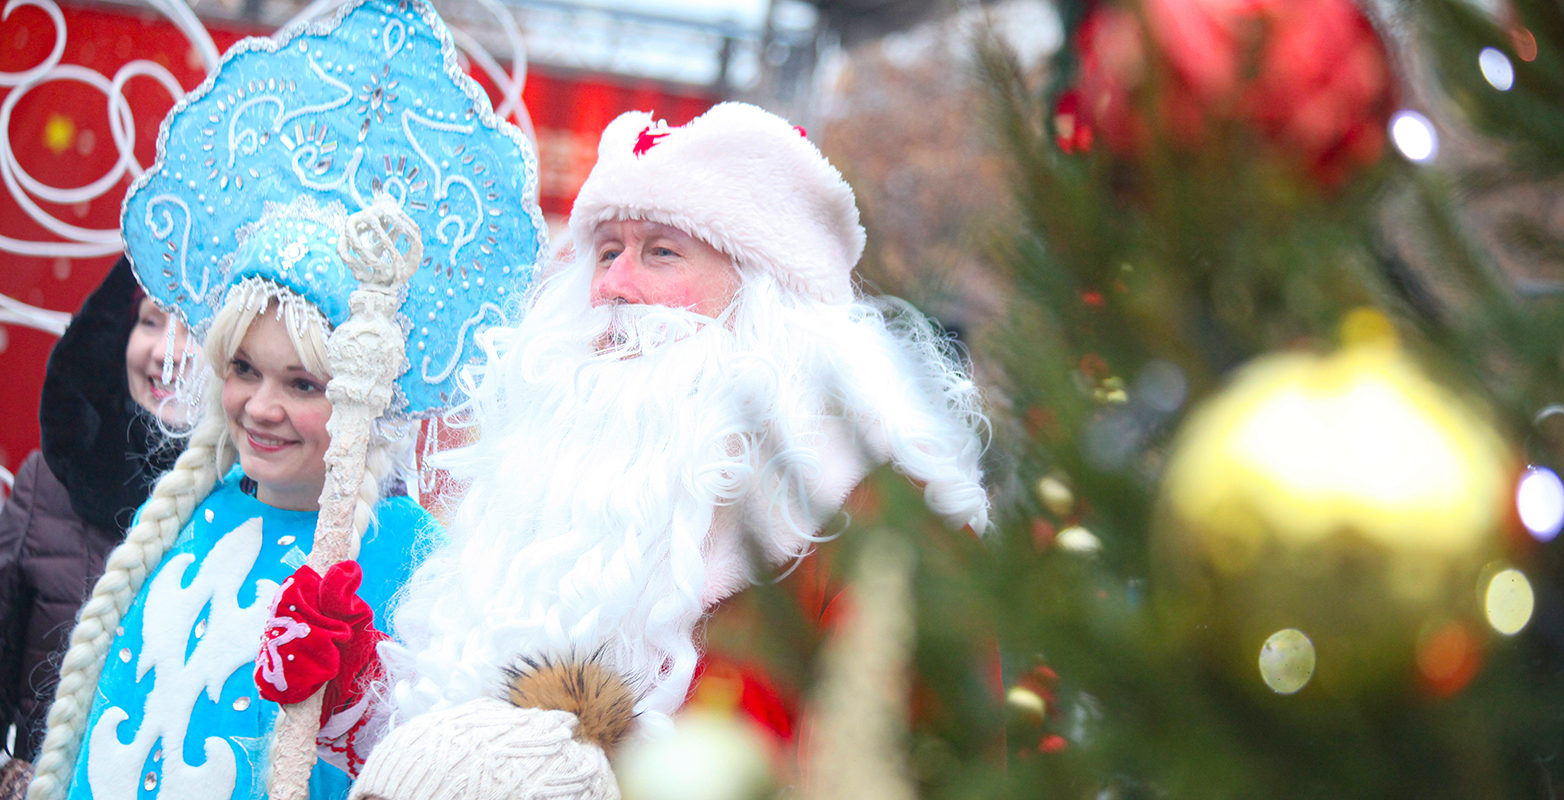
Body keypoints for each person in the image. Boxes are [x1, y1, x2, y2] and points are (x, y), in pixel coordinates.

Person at [263, 101, 991, 799]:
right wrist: (352, 689)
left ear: (769, 306)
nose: (612, 285)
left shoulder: (873, 525)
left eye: (660, 253)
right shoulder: (542, 495)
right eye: (606, 251)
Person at [19, 0, 546, 798]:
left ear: (367, 398)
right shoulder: (197, 506)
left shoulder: (412, 555)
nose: (261, 407)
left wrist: (359, 694)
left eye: (304, 384)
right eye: (243, 370)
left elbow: (425, 766)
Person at [0, 259, 193, 794]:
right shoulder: (48, 485)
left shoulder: (261, 510)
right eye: (151, 321)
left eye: (195, 329)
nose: (166, 352)